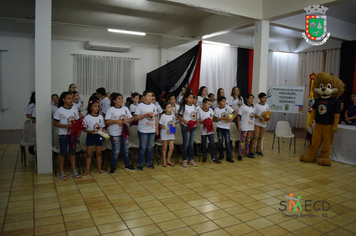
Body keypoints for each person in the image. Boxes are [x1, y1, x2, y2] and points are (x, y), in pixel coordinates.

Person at [53, 91, 80, 180]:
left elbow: (78, 121)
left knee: (72, 152)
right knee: (63, 153)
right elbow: (55, 123)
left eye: (72, 98)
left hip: (73, 135)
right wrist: (64, 126)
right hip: (63, 134)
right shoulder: (59, 110)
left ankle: (73, 170)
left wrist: (76, 126)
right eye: (69, 98)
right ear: (63, 99)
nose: (71, 100)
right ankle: (61, 171)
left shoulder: (74, 109)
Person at [105, 93, 134, 174]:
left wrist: (126, 121)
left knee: (125, 149)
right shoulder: (110, 110)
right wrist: (116, 121)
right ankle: (113, 166)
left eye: (121, 98)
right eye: (119, 99)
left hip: (124, 132)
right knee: (116, 150)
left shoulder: (125, 109)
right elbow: (106, 121)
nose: (121, 100)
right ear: (114, 101)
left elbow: (131, 118)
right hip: (115, 133)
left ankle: (127, 164)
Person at [134, 90, 159, 170]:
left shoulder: (153, 106)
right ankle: (140, 162)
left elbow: (155, 118)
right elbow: (136, 117)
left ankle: (148, 162)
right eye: (148, 96)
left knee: (150, 147)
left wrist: (157, 128)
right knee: (143, 147)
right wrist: (144, 115)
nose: (150, 97)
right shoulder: (140, 106)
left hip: (152, 130)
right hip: (143, 130)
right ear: (144, 97)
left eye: (151, 96)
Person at [82, 97, 107, 177]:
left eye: (98, 106)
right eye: (95, 106)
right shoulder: (87, 117)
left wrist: (104, 131)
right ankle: (87, 171)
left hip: (99, 136)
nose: (97, 108)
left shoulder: (100, 117)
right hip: (90, 136)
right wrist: (90, 131)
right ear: (91, 107)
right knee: (89, 154)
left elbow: (102, 127)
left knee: (99, 153)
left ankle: (99, 169)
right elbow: (83, 128)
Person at [178, 92, 198, 167]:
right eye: (190, 97)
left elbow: (194, 114)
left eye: (192, 97)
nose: (191, 99)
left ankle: (191, 159)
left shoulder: (193, 106)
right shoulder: (183, 107)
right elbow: (179, 116)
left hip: (193, 126)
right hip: (186, 127)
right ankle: (184, 159)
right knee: (186, 144)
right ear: (186, 98)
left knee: (191, 144)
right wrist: (184, 121)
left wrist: (196, 119)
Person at [214, 96, 237, 162]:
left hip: (226, 127)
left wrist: (232, 119)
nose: (224, 103)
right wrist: (223, 118)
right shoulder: (216, 109)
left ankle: (228, 157)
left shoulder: (227, 107)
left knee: (227, 141)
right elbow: (214, 119)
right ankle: (221, 155)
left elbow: (235, 112)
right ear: (219, 102)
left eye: (224, 101)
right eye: (222, 101)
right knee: (220, 142)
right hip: (219, 127)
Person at [198, 98, 221, 163]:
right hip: (203, 130)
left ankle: (213, 157)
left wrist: (210, 120)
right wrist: (204, 122)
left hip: (210, 130)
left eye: (210, 104)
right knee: (204, 144)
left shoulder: (211, 110)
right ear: (203, 103)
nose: (209, 105)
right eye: (208, 104)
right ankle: (204, 157)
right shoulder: (200, 111)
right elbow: (197, 120)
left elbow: (213, 115)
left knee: (212, 143)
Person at [250, 92, 269, 157]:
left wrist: (267, 117)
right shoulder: (256, 105)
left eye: (265, 98)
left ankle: (258, 150)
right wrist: (260, 117)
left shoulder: (267, 105)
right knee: (255, 137)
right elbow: (253, 114)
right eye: (263, 98)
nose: (265, 99)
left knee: (260, 137)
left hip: (264, 124)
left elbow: (268, 113)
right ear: (259, 98)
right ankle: (251, 151)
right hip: (257, 123)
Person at [237, 94, 256, 161]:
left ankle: (247, 153)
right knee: (242, 141)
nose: (251, 100)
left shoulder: (253, 107)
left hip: (250, 127)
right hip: (244, 126)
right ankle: (239, 154)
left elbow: (253, 116)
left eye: (252, 98)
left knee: (248, 141)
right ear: (247, 99)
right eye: (250, 98)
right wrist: (239, 126)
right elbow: (238, 116)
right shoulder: (243, 107)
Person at [159, 102, 176, 167]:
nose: (170, 108)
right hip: (164, 133)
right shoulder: (163, 116)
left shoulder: (172, 115)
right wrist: (162, 126)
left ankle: (168, 160)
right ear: (165, 109)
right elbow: (160, 124)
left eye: (170, 107)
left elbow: (174, 122)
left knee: (171, 147)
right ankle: (164, 161)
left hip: (171, 132)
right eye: (168, 107)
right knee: (165, 147)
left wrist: (174, 125)